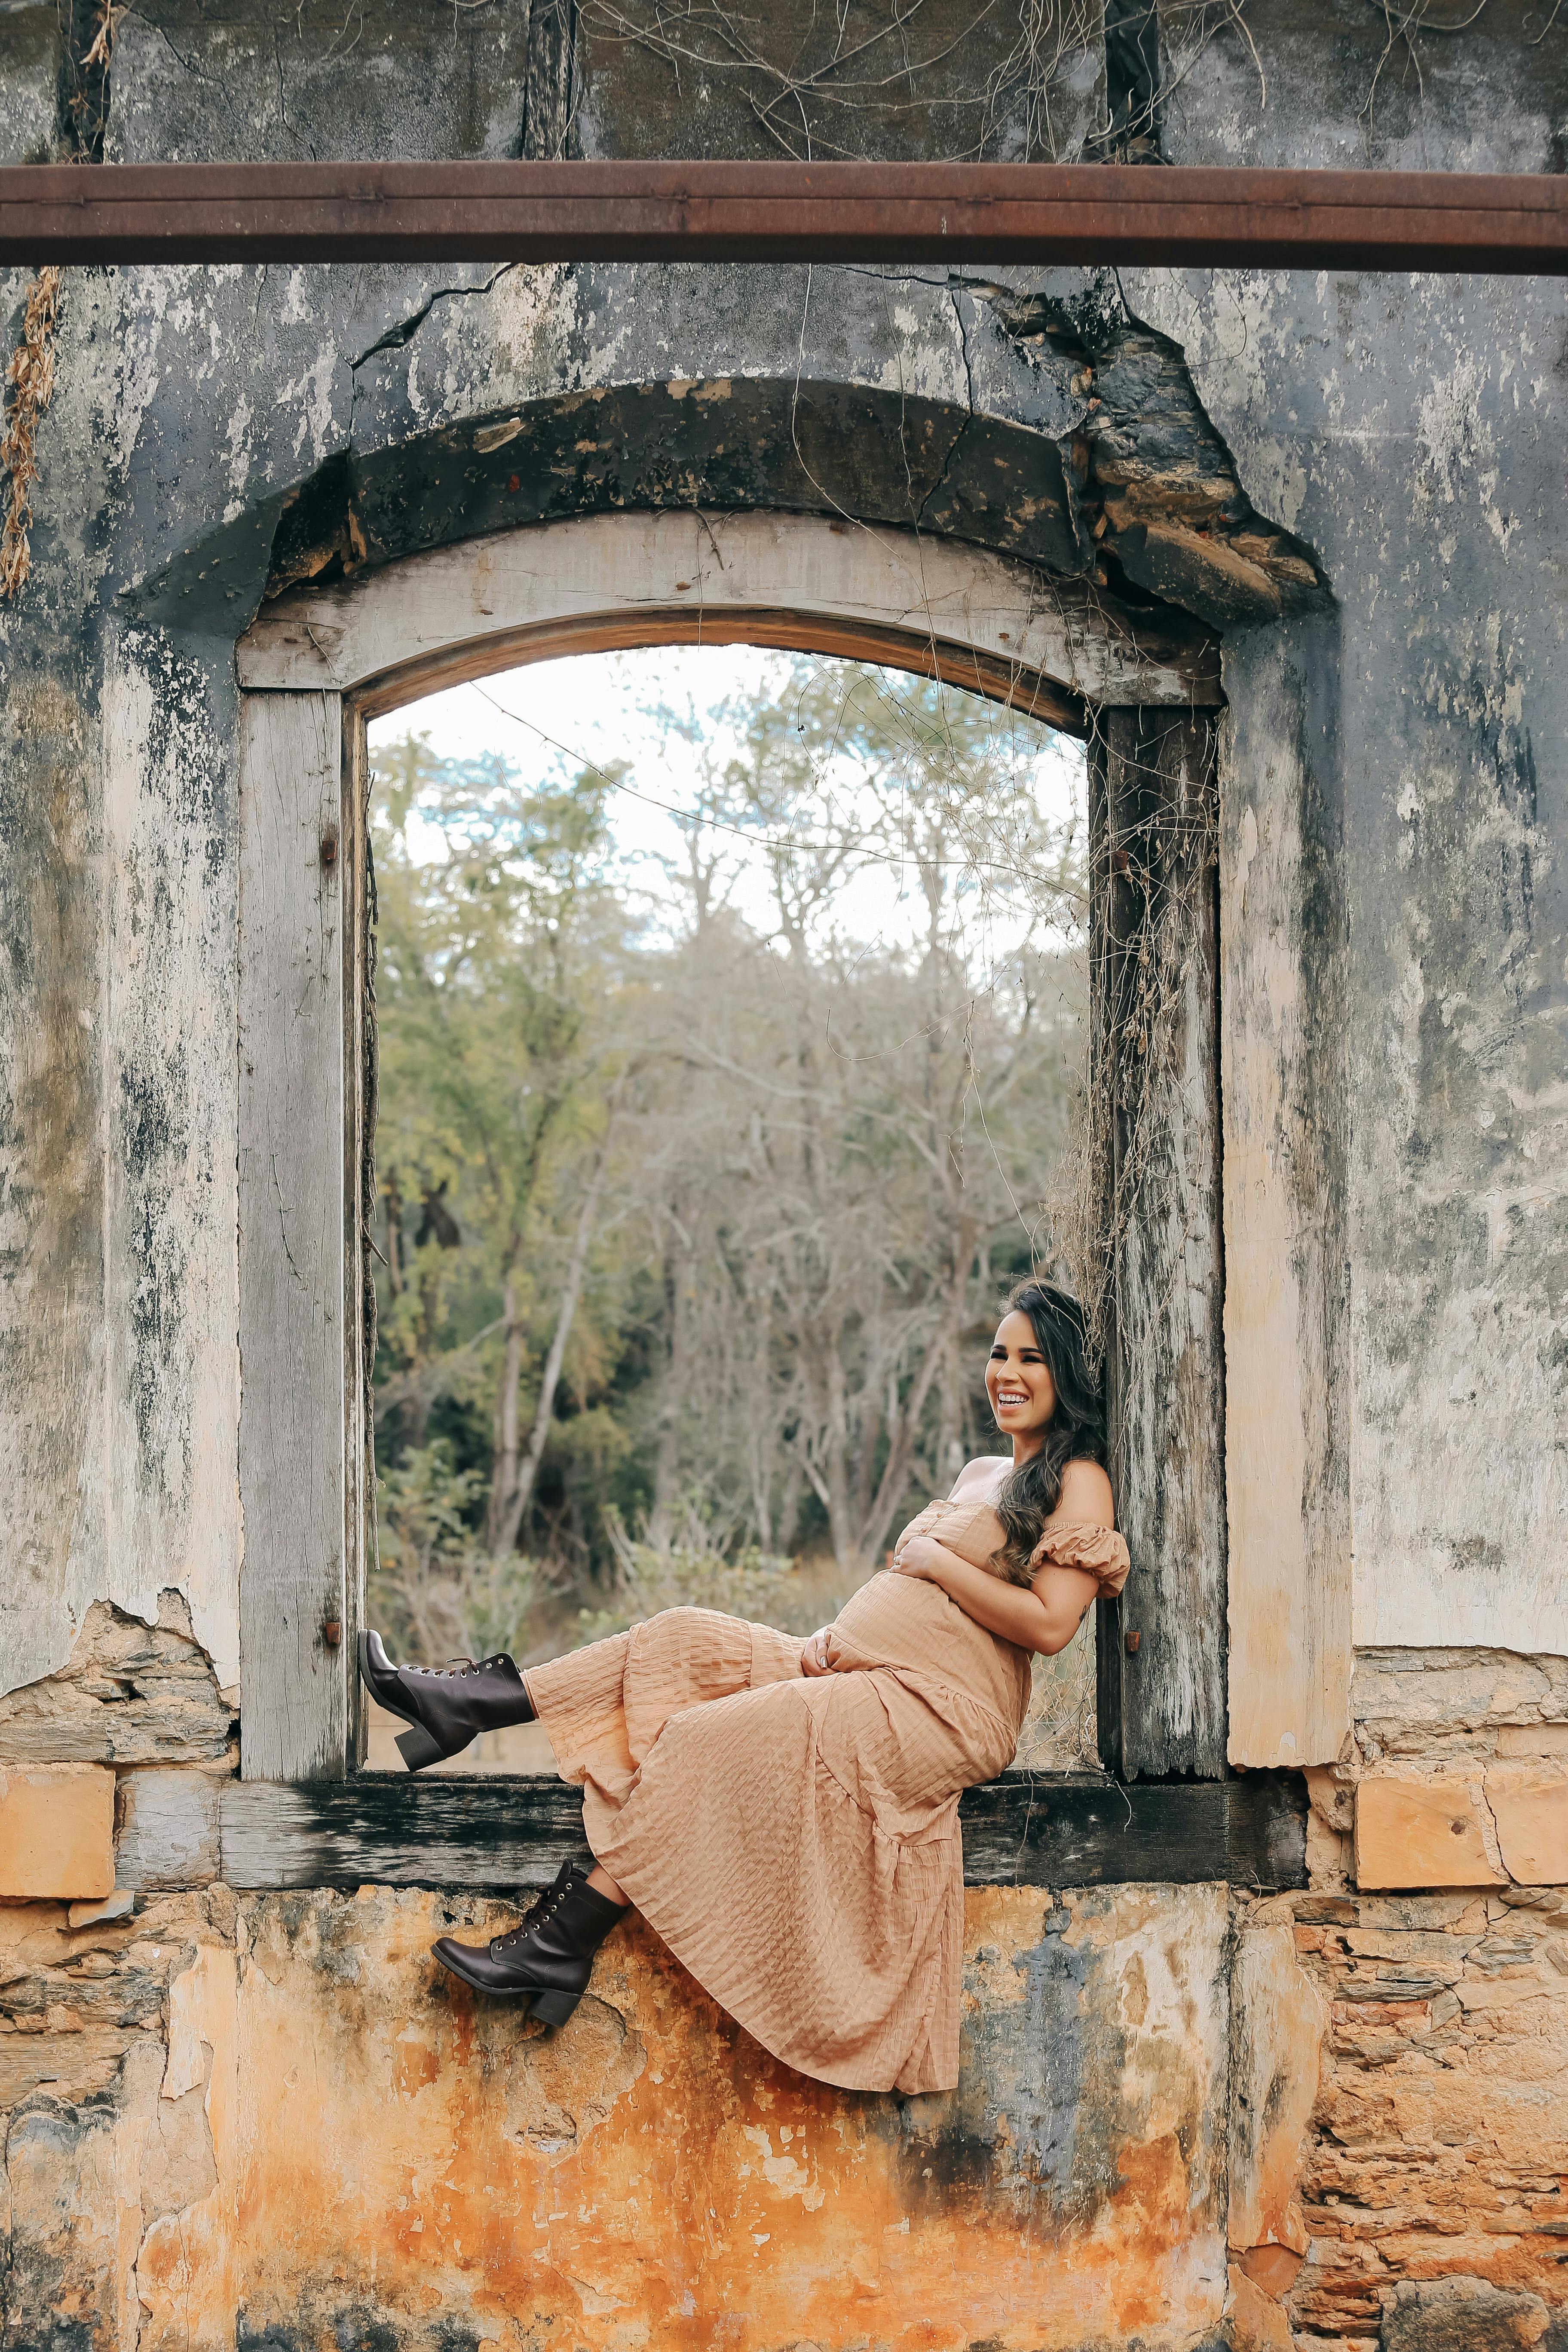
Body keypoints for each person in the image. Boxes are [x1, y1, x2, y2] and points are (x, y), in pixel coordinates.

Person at [358, 1277, 1130, 2094]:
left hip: (941, 1715)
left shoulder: (1078, 1479)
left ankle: (564, 1935)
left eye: (1032, 1359)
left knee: (701, 1741)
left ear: (1067, 1374)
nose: (1007, 1373)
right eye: (999, 1353)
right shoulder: (981, 1470)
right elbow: (918, 1603)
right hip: (870, 1674)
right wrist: (847, 1637)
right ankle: (472, 1705)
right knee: (686, 1640)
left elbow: (1050, 1626)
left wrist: (935, 1563)